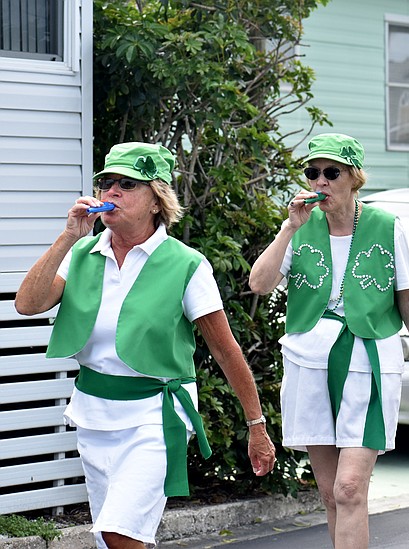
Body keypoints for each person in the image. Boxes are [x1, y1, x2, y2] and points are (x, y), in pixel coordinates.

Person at [14, 142, 277, 549]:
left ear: (157, 200)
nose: (111, 192)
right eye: (106, 183)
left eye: (126, 184)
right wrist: (67, 238)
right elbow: (27, 304)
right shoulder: (84, 252)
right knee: (113, 538)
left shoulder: (187, 264)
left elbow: (225, 351)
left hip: (155, 417)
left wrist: (256, 426)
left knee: (119, 533)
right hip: (94, 414)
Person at [249, 133, 409, 549]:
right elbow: (259, 283)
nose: (320, 181)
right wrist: (288, 228)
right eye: (312, 172)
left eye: (331, 172)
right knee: (329, 494)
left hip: (369, 360)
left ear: (353, 178)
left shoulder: (386, 226)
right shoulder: (301, 226)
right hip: (310, 360)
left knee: (349, 488)